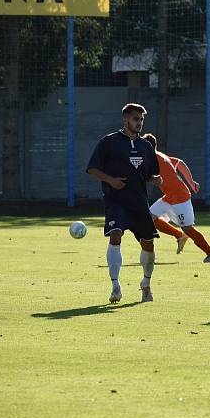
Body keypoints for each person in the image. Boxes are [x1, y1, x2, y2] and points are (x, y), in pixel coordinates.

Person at [86, 103, 162, 304]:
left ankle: (146, 284)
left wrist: (154, 179)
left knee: (148, 244)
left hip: (138, 202)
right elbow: (92, 169)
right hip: (115, 201)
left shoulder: (146, 146)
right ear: (125, 119)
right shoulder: (109, 142)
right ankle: (115, 286)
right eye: (136, 119)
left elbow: (149, 173)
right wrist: (111, 180)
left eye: (142, 119)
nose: (139, 123)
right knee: (115, 236)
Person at [142, 133, 210, 264]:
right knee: (149, 218)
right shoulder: (161, 155)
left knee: (188, 228)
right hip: (169, 197)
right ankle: (178, 236)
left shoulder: (153, 159)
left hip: (180, 198)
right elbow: (180, 163)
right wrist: (191, 182)